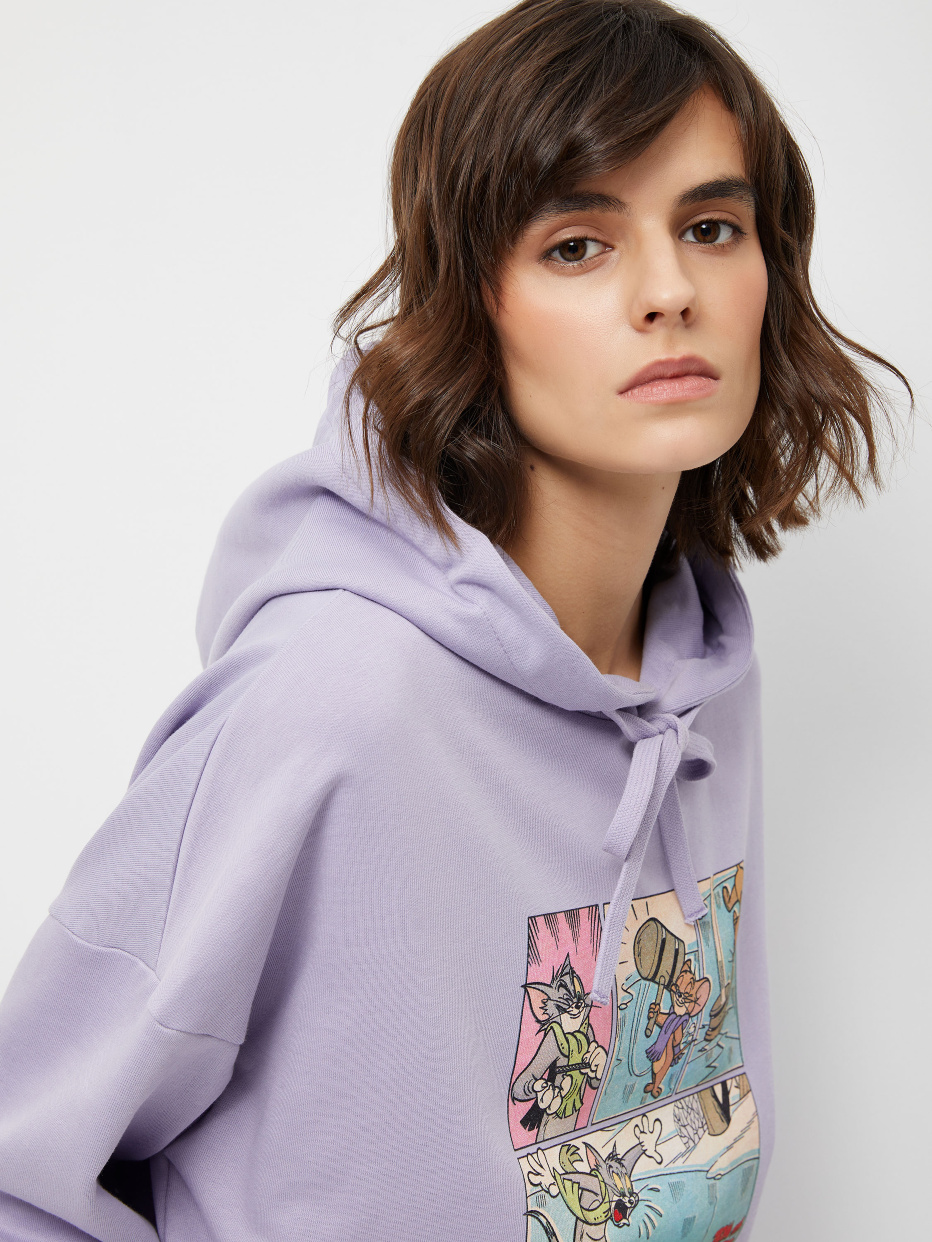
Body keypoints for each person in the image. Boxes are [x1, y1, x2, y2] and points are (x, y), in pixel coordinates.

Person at [0, 1, 912, 1239]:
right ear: (468, 303)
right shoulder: (331, 700)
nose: (668, 292)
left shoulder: (700, 672)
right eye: (576, 246)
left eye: (710, 228)